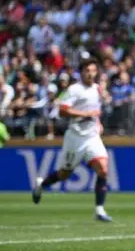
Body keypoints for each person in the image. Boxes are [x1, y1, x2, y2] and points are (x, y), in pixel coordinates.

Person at [31, 59, 113, 222]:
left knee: (103, 170)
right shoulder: (74, 90)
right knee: (63, 175)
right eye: (87, 70)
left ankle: (99, 210)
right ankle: (41, 184)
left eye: (93, 70)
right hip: (75, 137)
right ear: (81, 72)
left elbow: (95, 111)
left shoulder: (96, 89)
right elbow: (62, 111)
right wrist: (85, 115)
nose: (90, 74)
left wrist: (97, 122)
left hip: (92, 137)